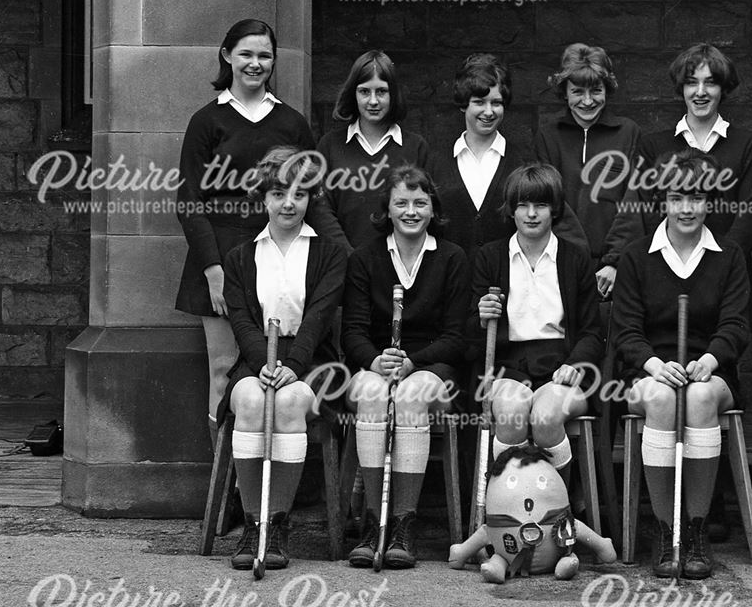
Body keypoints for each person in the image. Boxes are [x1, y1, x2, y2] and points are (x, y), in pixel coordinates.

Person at [176, 19, 333, 445]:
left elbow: (311, 196)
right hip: (221, 255)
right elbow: (189, 200)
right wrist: (212, 268)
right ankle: (225, 491)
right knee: (225, 368)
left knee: (280, 371)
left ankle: (276, 481)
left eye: (264, 55)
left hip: (282, 255)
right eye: (246, 54)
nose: (255, 63)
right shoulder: (207, 120)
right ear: (227, 56)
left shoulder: (291, 122)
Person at [613, 150, 750, 579]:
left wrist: (710, 359)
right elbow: (625, 332)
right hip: (649, 372)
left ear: (709, 201)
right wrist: (653, 365)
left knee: (699, 396)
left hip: (710, 372)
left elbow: (736, 324)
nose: (687, 207)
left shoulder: (729, 255)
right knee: (662, 397)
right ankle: (664, 527)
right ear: (663, 201)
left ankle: (694, 528)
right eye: (677, 197)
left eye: (696, 196)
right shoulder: (637, 257)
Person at [221, 146, 347, 570]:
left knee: (291, 402)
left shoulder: (329, 254)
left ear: (312, 196)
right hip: (256, 359)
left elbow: (319, 317)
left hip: (311, 361)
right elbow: (241, 320)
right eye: (278, 193)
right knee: (253, 403)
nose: (288, 203)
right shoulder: (241, 257)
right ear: (264, 197)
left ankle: (278, 524)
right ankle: (254, 524)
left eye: (298, 193)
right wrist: (264, 364)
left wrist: (292, 367)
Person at [341, 164, 470, 568]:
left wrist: (415, 361)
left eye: (420, 202)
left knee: (412, 393)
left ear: (433, 209)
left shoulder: (452, 258)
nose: (411, 211)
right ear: (388, 209)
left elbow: (457, 336)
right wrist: (374, 361)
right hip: (379, 364)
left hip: (434, 369)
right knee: (370, 392)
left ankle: (402, 523)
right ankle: (373, 523)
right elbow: (354, 332)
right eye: (402, 203)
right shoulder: (365, 258)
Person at [473, 164, 604, 487]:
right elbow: (466, 335)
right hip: (507, 368)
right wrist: (480, 315)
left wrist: (575, 364)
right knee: (511, 410)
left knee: (545, 416)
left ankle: (559, 508)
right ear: (511, 210)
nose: (531, 214)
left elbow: (591, 332)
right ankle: (508, 506)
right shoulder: (490, 257)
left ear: (555, 209)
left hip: (562, 367)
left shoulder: (575, 258)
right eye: (523, 205)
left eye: (541, 205)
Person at [606, 42, 752, 309]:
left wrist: (720, 268)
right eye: (692, 83)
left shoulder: (748, 145)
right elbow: (643, 213)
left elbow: (749, 217)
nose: (700, 92)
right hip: (665, 279)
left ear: (723, 88)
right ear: (681, 88)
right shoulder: (653, 146)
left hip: (730, 280)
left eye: (710, 83)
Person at [432, 53, 589, 259]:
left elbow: (563, 223)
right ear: (463, 104)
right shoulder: (435, 163)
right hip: (451, 285)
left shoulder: (524, 162)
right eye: (479, 102)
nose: (489, 111)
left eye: (496, 103)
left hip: (510, 285)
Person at [534, 43, 641, 298]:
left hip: (615, 270)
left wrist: (613, 262)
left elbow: (634, 201)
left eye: (596, 90)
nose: (587, 101)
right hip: (560, 264)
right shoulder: (548, 136)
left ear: (608, 89)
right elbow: (549, 200)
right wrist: (575, 260)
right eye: (577, 91)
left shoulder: (628, 132)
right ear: (564, 92)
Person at [316, 50, 430, 250]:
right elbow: (320, 209)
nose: (373, 101)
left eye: (382, 91)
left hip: (397, 264)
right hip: (342, 262)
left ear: (393, 94)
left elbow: (424, 210)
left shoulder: (415, 147)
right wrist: (349, 257)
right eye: (365, 91)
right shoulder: (330, 145)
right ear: (353, 93)